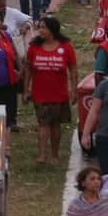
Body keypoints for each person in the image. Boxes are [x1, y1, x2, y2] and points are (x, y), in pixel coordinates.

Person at [24, 16, 77, 165]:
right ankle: (42, 154)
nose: (40, 30)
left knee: (55, 124)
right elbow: (28, 70)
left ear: (52, 30)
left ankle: (55, 154)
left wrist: (73, 90)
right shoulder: (34, 47)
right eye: (39, 27)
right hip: (40, 93)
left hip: (59, 94)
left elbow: (73, 69)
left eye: (43, 27)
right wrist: (26, 89)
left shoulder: (66, 47)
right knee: (43, 123)